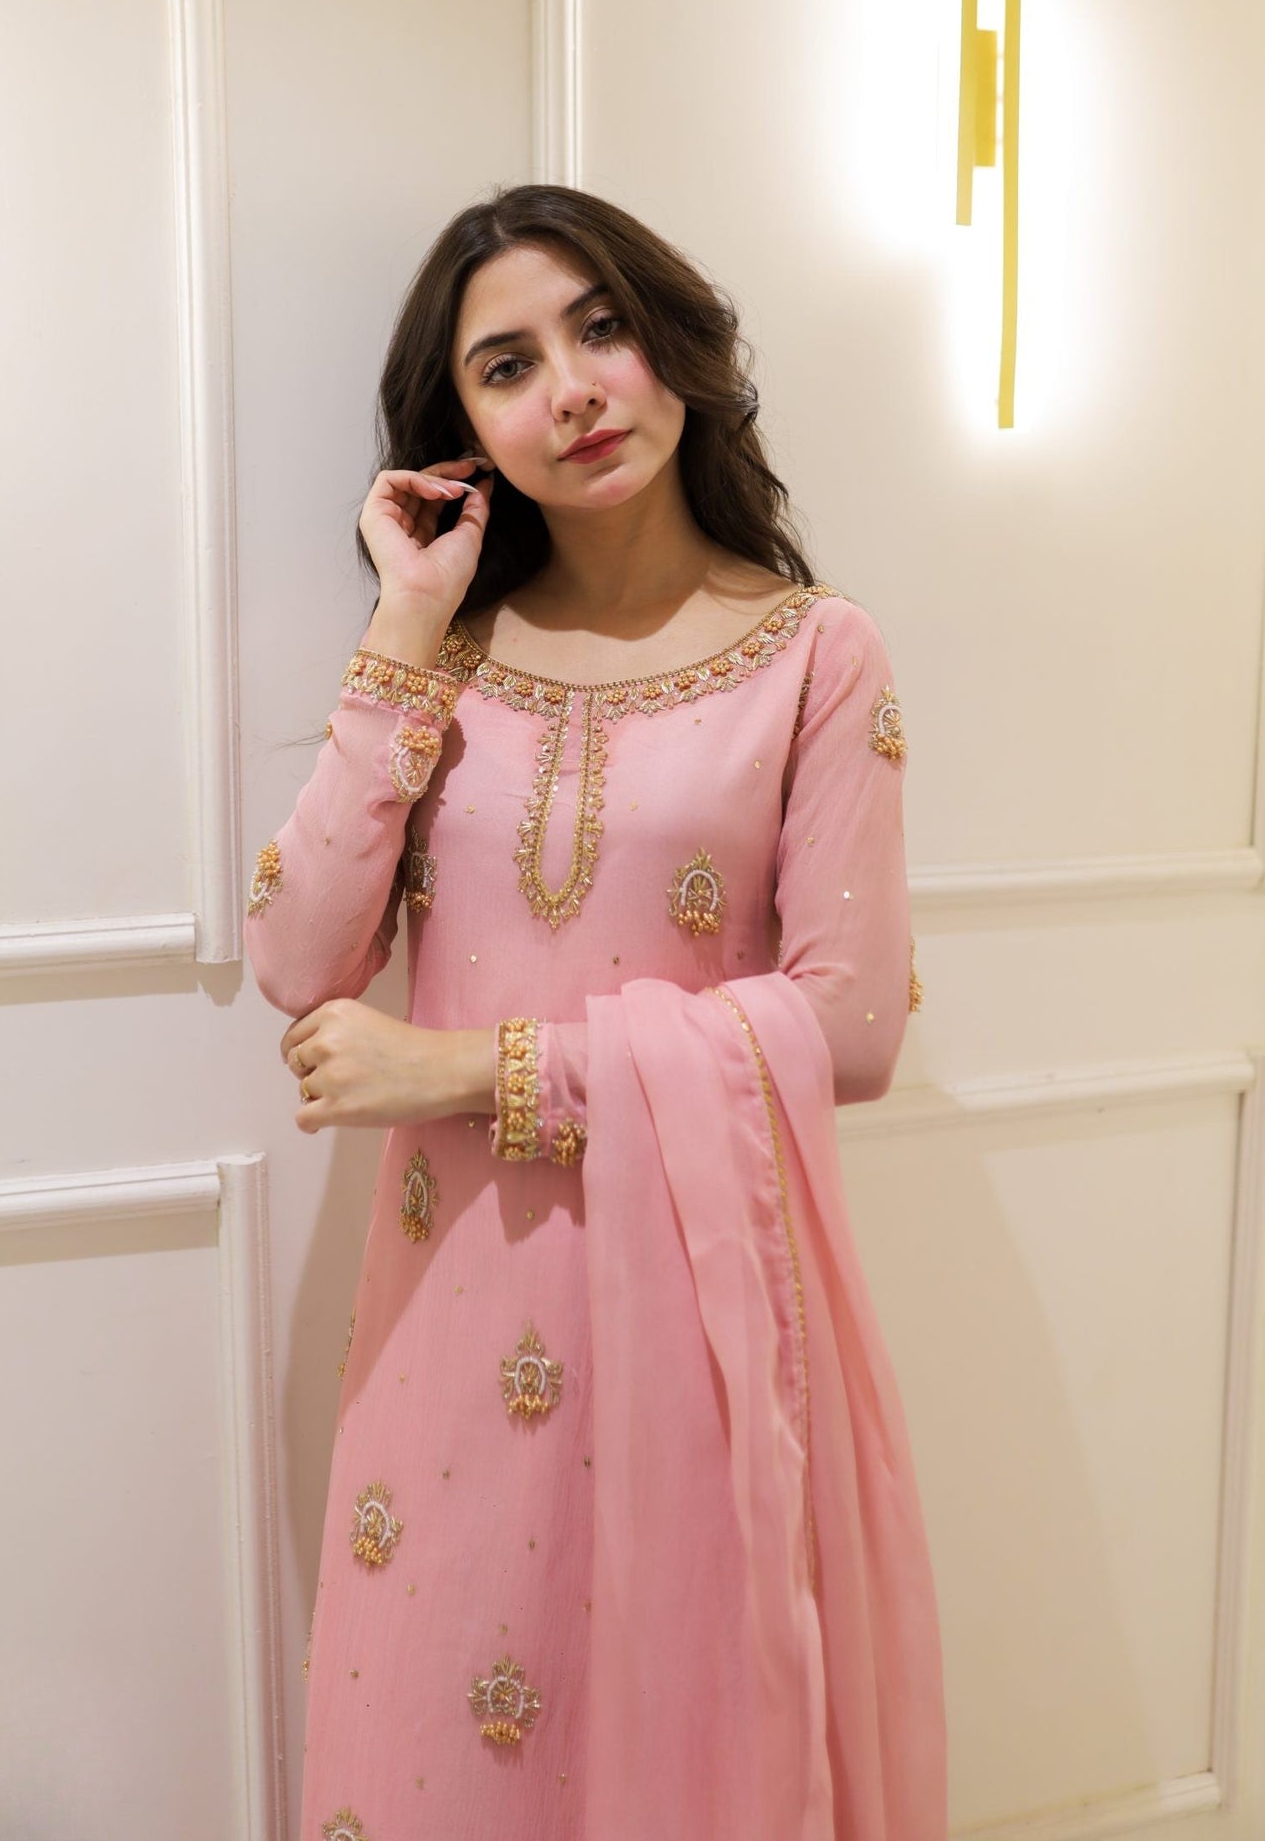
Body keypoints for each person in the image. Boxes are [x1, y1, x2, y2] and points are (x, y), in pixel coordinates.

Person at [245, 182, 948, 1840]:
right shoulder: (441, 654)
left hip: (701, 1318)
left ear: (675, 349)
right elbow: (294, 962)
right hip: (445, 1322)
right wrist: (407, 623)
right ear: (460, 428)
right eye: (505, 364)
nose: (569, 387)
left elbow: (848, 1030)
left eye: (602, 327)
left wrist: (461, 1067)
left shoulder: (810, 655)